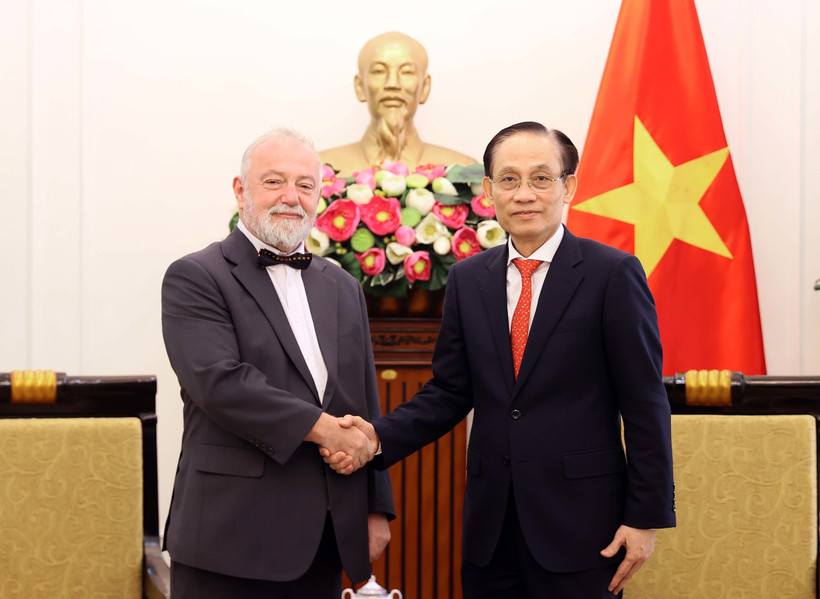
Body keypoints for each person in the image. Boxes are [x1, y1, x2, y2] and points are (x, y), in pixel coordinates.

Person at [323, 122, 676, 598]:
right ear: (488, 191)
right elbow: (450, 391)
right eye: (509, 179)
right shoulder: (470, 279)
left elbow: (644, 401)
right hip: (490, 528)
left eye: (541, 178)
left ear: (568, 186)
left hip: (583, 526)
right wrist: (373, 438)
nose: (525, 193)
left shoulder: (612, 274)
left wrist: (645, 517)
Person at [161, 127, 394, 599]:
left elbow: (364, 400)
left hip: (325, 538)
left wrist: (375, 507)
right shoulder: (196, 276)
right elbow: (221, 384)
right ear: (240, 190)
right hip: (228, 538)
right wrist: (327, 430)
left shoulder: (343, 286)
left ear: (320, 196)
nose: (292, 196)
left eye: (305, 185)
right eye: (274, 182)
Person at [319, 31, 476, 175]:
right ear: (360, 86)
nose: (392, 83)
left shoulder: (464, 171)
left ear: (425, 87)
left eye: (407, 72)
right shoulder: (320, 170)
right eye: (379, 71)